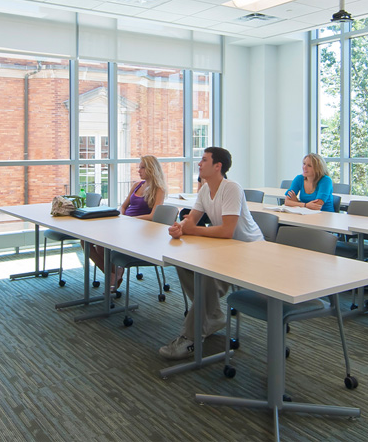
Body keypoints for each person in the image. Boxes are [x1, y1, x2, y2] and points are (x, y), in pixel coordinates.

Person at [161, 147, 263, 360]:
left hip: (251, 250)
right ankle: (213, 314)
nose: (199, 164)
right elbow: (192, 220)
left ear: (218, 166)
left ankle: (190, 336)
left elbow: (227, 231)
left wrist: (191, 229)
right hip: (226, 248)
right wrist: (180, 227)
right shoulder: (204, 190)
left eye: (204, 160)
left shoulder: (231, 188)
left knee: (205, 273)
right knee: (183, 262)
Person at [87, 156, 166, 290]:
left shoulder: (159, 189)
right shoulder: (137, 185)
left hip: (140, 230)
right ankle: (112, 274)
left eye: (142, 167)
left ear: (151, 169)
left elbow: (153, 216)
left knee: (101, 243)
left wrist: (131, 220)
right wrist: (122, 216)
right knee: (86, 241)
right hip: (124, 224)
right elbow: (123, 206)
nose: (138, 170)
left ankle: (115, 275)